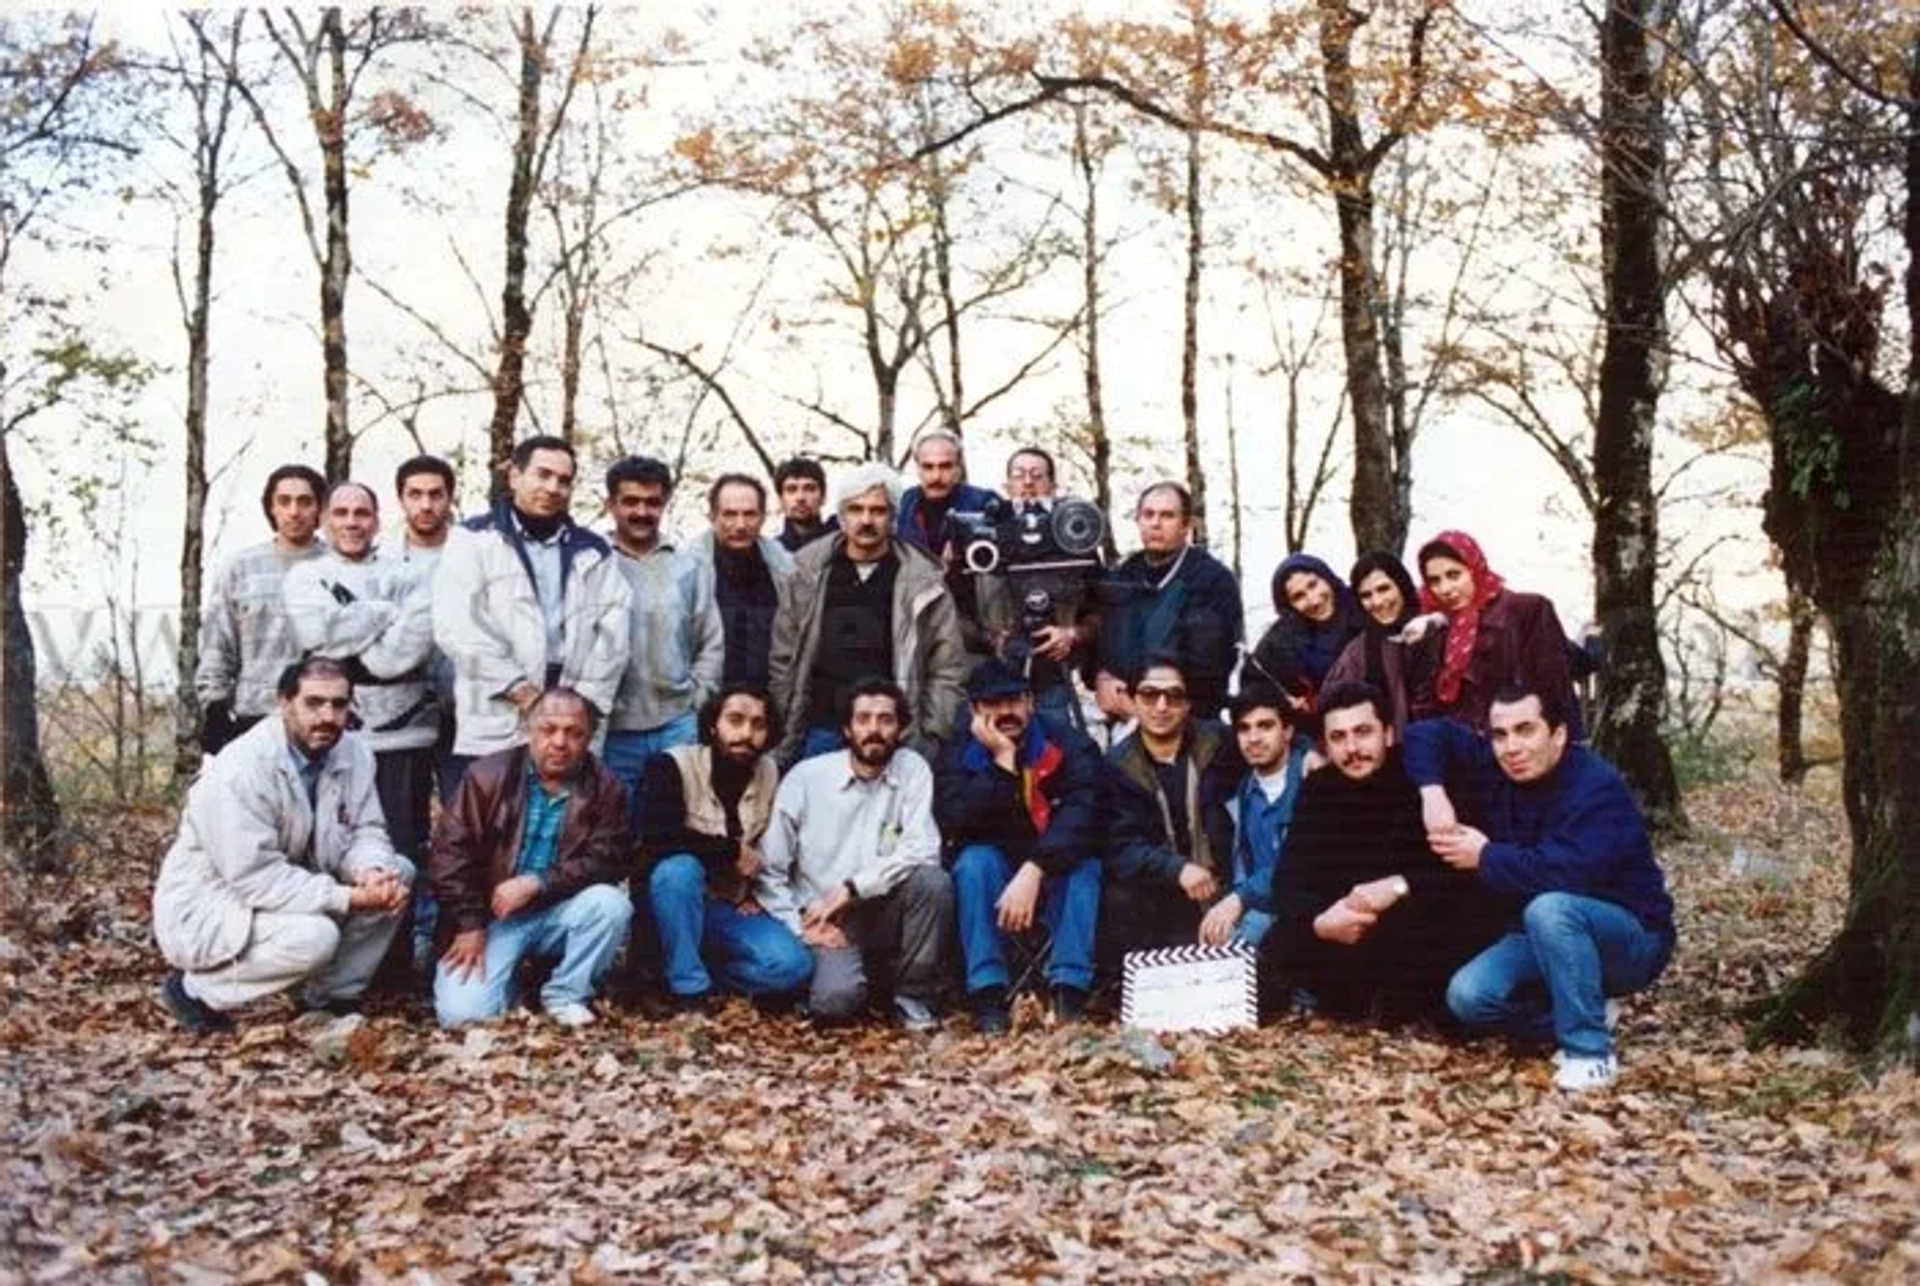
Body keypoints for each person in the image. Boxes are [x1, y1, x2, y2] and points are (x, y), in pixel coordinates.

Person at [1404, 684, 1675, 1091]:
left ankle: (1590, 1055)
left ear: (1559, 734)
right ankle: (1577, 1012)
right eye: (1500, 734)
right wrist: (1433, 793)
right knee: (1468, 996)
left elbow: (1566, 874)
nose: (1512, 747)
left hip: (1631, 936)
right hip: (1543, 931)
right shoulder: (1497, 763)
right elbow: (1423, 734)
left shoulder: (1596, 787)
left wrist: (1485, 856)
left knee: (1550, 907)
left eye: (1526, 730)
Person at [154, 658, 413, 1032]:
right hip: (215, 901)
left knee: (398, 873)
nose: (328, 716)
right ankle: (195, 991)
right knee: (315, 937)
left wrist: (371, 872)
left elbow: (365, 830)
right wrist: (349, 897)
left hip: (287, 883)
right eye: (314, 702)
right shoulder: (241, 768)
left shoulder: (355, 754)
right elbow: (256, 878)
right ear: (284, 702)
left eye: (339, 705)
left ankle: (331, 999)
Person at [1267, 681, 1507, 1024]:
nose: (1352, 748)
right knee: (1279, 937)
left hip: (1417, 923)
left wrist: (1397, 886)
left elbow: (1462, 876)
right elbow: (1287, 883)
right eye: (1338, 737)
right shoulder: (1319, 789)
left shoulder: (1422, 781)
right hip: (1349, 928)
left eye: (1363, 732)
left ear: (1389, 733)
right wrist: (1320, 923)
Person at [430, 687, 635, 1028]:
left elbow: (609, 859)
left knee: (611, 904)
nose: (559, 742)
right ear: (528, 728)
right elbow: (449, 856)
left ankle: (566, 992)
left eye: (574, 733)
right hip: (491, 918)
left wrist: (539, 882)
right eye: (548, 729)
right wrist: (468, 924)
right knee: (461, 1017)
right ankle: (511, 984)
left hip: (559, 909)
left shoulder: (606, 786)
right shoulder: (487, 776)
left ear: (589, 738)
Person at [757, 678, 954, 1029]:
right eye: (863, 719)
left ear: (901, 727)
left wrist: (852, 888)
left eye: (885, 719)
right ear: (847, 729)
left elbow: (922, 848)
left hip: (883, 907)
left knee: (932, 883)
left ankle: (912, 997)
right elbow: (770, 870)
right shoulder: (806, 778)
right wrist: (801, 928)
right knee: (836, 1003)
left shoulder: (912, 769)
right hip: (824, 920)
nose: (874, 730)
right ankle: (847, 981)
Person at [432, 436, 631, 775]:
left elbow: (615, 632)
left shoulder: (595, 551)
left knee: (564, 820)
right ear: (514, 476)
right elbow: (457, 628)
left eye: (564, 480)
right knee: (496, 817)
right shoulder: (474, 541)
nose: (553, 487)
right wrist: (523, 693)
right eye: (543, 474)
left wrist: (578, 705)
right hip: (500, 710)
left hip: (574, 712)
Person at [936, 657, 1105, 1033]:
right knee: (973, 862)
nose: (1006, 712)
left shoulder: (1070, 744)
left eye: (1013, 701)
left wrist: (1036, 868)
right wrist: (1001, 763)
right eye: (993, 704)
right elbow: (957, 822)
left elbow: (1085, 813)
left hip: (1052, 865)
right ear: (975, 711)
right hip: (996, 871)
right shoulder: (957, 752)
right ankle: (988, 992)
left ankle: (1069, 992)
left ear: (1030, 702)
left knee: (1086, 868)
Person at [284, 481, 438, 883]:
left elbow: (400, 656)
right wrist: (385, 613)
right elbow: (317, 634)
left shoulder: (410, 577)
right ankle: (335, 937)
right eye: (341, 513)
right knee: (330, 843)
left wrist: (354, 639)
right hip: (332, 732)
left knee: (403, 845)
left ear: (376, 521)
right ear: (325, 520)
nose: (351, 523)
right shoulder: (307, 577)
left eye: (362, 513)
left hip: (405, 736)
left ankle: (406, 943)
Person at [767, 462, 968, 765]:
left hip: (893, 733)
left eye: (878, 510)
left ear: (893, 517)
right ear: (841, 516)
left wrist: (930, 731)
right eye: (856, 509)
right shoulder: (807, 570)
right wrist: (784, 723)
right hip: (821, 727)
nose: (866, 520)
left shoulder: (923, 579)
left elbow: (947, 665)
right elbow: (784, 655)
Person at [642, 684, 812, 1011]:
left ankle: (707, 975)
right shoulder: (671, 765)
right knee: (678, 869)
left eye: (758, 725)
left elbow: (779, 850)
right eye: (735, 720)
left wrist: (761, 894)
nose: (746, 734)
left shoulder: (771, 773)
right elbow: (657, 836)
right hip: (675, 902)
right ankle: (688, 990)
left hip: (732, 905)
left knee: (794, 967)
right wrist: (729, 851)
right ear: (712, 725)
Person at [600, 455, 724, 809]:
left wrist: (697, 700)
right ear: (611, 504)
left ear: (665, 503)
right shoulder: (594, 563)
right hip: (614, 728)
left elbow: (710, 640)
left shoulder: (690, 566)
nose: (642, 512)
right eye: (631, 502)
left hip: (677, 723)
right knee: (614, 824)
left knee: (672, 820)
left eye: (652, 502)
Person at [1100, 655, 1242, 959]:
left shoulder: (1219, 742)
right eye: (1150, 695)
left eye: (1174, 696)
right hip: (1161, 894)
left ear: (1188, 704)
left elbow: (1269, 742)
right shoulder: (1116, 766)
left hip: (1227, 886)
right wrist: (1175, 868)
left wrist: (1306, 752)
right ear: (1133, 700)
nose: (1162, 707)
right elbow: (1119, 846)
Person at [196, 463, 328, 755]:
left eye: (305, 502)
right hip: (254, 717)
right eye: (284, 501)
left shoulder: (340, 568)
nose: (294, 511)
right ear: (271, 508)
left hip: (325, 719)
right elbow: (218, 645)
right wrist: (215, 709)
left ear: (320, 508)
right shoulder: (240, 568)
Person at [1094, 482, 1242, 725]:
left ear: (1186, 525)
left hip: (1191, 720)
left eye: (1167, 516)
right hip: (1124, 719)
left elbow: (1209, 667)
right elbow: (1103, 641)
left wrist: (1145, 705)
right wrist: (1101, 676)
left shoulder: (1212, 579)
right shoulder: (1123, 576)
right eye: (1148, 514)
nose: (1155, 523)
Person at [974, 445, 1101, 725]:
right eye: (1019, 475)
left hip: (1058, 671)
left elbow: (1101, 606)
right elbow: (963, 610)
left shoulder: (1076, 536)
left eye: (1037, 475)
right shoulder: (986, 532)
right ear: (1007, 485)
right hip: (1003, 672)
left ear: (1053, 485)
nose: (1028, 483)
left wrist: (1073, 633)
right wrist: (992, 638)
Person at [1415, 530, 1582, 738]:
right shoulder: (1435, 625)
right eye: (1434, 581)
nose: (1445, 589)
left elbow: (1555, 687)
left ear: (1474, 567)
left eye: (1454, 575)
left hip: (1518, 742)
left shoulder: (1526, 609)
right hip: (1459, 751)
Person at [1198, 684, 1311, 952]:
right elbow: (1243, 869)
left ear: (1288, 731)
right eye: (1244, 728)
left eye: (1265, 726)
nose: (1254, 738)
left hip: (1309, 913)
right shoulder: (1244, 791)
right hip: (1263, 910)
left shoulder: (1312, 778)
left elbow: (1300, 866)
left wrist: (1240, 898)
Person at [683, 473, 796, 687]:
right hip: (706, 702)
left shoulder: (785, 570)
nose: (741, 524)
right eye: (729, 514)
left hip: (769, 703)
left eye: (750, 514)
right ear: (712, 516)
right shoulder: (686, 571)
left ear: (763, 517)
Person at [1322, 551, 1435, 736]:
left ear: (1401, 585)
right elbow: (1331, 705)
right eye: (1366, 595)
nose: (1377, 601)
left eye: (1384, 589)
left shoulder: (1434, 627)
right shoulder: (1357, 651)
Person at [1246, 553, 1366, 716]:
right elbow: (1253, 683)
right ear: (1288, 606)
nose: (1314, 601)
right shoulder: (1280, 640)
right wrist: (1281, 702)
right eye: (1298, 597)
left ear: (1326, 577)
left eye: (1313, 585)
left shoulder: (1366, 604)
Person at [895, 429, 1002, 556]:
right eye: (928, 467)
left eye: (945, 466)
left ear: (958, 467)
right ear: (917, 467)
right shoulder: (904, 504)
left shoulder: (985, 503)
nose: (936, 476)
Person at [773, 456, 838, 553]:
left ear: (823, 497)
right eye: (791, 489)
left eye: (809, 488)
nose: (800, 497)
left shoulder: (841, 544)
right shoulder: (771, 554)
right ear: (780, 500)